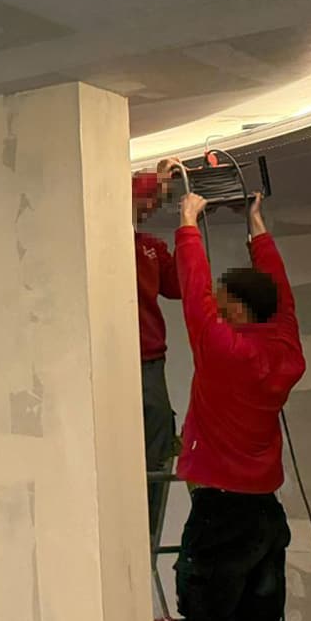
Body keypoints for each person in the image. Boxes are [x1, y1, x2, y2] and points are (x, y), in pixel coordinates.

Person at [172, 189, 307, 621]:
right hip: (264, 519)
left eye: (228, 307)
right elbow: (284, 295)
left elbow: (194, 295)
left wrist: (187, 223)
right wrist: (257, 228)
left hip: (220, 518)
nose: (219, 312)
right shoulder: (285, 347)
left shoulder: (223, 349)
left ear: (243, 313)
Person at [134, 165, 181, 542]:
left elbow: (179, 286)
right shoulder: (100, 238)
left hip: (149, 361)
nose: (152, 206)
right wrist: (156, 178)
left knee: (157, 446)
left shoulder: (150, 247)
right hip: (112, 362)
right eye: (150, 198)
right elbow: (117, 201)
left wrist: (189, 226)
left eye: (158, 201)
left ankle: (144, 538)